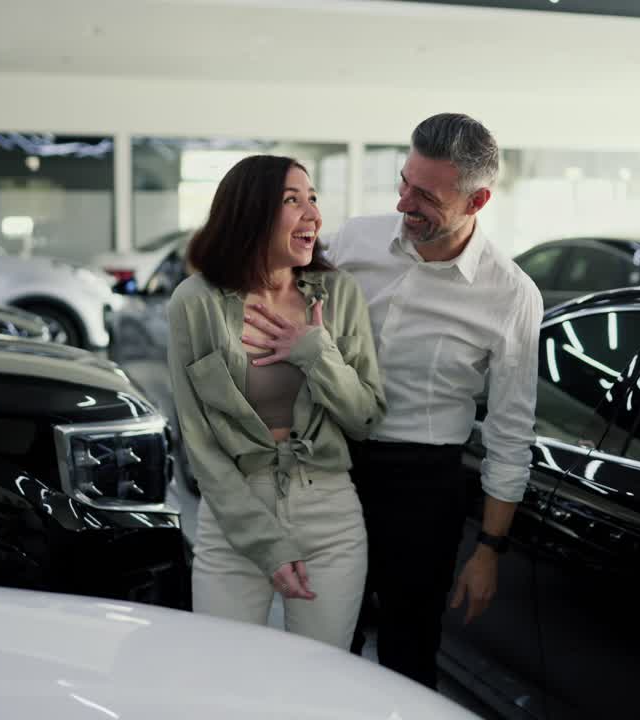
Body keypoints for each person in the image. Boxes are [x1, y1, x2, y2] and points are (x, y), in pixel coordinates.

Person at [328, 113, 543, 687]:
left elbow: (510, 431)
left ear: (477, 201)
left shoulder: (512, 295)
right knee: (324, 639)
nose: (404, 203)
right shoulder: (352, 240)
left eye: (425, 195)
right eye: (403, 182)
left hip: (423, 486)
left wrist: (489, 548)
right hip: (333, 465)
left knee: (408, 652)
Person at [167, 154, 387, 649]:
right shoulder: (195, 302)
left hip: (330, 518)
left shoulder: (338, 295)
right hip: (234, 520)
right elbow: (199, 443)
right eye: (293, 201)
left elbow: (365, 417)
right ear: (250, 213)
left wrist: (316, 353)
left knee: (320, 686)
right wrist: (267, 545)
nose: (312, 214)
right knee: (224, 685)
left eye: (313, 199)